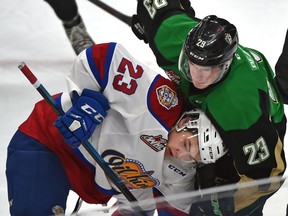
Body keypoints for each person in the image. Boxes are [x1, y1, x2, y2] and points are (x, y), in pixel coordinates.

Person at [6, 41, 227, 215]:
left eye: (192, 157)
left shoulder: (181, 172)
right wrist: (90, 104)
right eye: (187, 143)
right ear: (184, 122)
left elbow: (169, 209)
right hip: (46, 143)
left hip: (89, 181)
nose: (181, 154)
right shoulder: (161, 103)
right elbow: (104, 57)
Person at [131, 1, 287, 215]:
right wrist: (151, 24)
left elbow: (266, 177)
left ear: (225, 65)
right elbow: (159, 6)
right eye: (192, 65)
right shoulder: (171, 34)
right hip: (206, 111)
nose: (196, 77)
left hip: (253, 125)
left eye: (208, 70)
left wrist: (223, 206)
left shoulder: (240, 110)